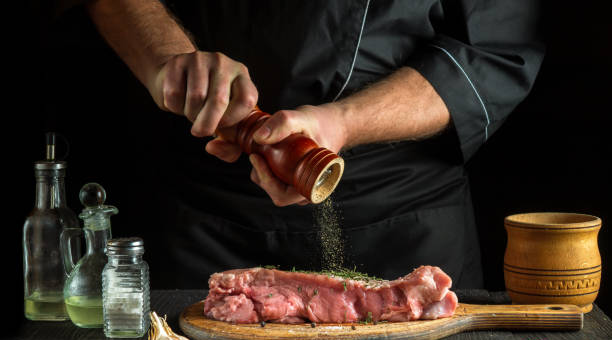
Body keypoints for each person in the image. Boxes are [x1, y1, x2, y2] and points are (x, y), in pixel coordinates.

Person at [81, 0, 544, 288]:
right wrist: (169, 59)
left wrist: (342, 122)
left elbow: (493, 49)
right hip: (203, 220)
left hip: (397, 224)